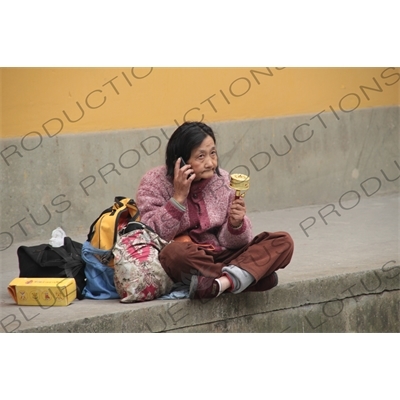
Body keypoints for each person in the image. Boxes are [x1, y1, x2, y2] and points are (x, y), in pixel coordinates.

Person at [136, 121, 294, 299]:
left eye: (213, 153)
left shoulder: (224, 180)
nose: (211, 163)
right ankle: (245, 275)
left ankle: (218, 283)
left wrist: (235, 224)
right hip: (190, 258)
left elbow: (236, 243)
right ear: (180, 160)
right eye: (200, 156)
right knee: (173, 254)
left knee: (283, 241)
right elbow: (151, 233)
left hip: (224, 255)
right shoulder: (154, 182)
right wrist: (178, 199)